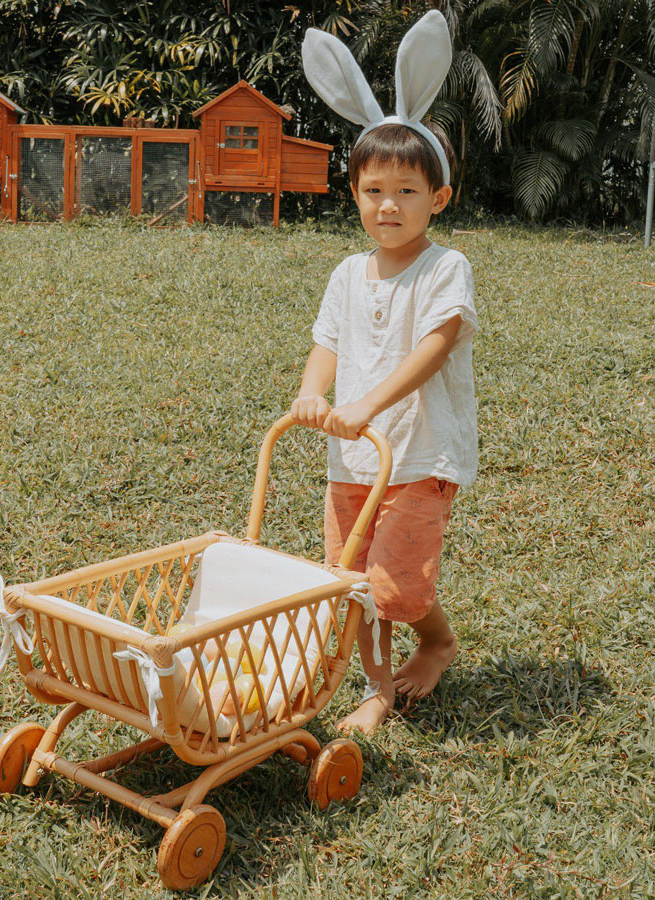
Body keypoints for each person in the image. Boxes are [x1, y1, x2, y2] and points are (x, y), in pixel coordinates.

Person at [290, 115, 479, 734]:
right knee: (353, 583)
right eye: (374, 190)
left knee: (397, 588)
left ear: (438, 198)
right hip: (353, 458)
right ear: (355, 194)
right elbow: (328, 345)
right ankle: (376, 689)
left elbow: (437, 344)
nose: (388, 205)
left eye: (406, 191)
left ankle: (437, 643)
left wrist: (368, 405)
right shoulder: (347, 273)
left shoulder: (445, 267)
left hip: (420, 453)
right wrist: (311, 392)